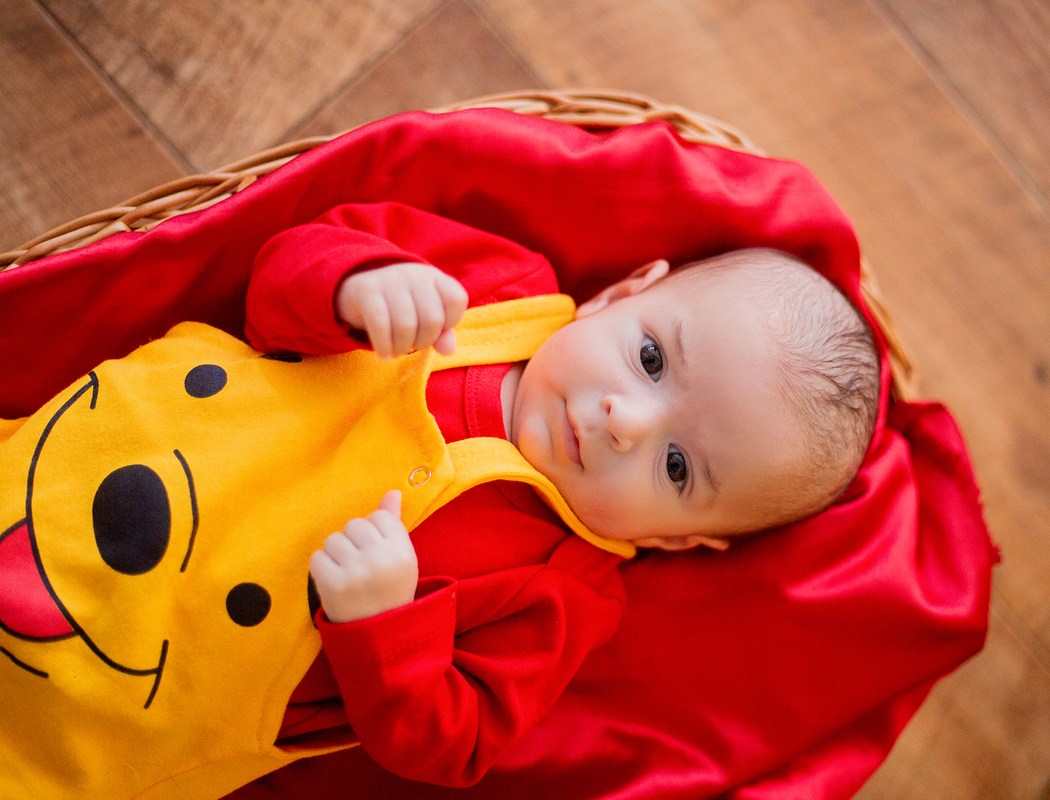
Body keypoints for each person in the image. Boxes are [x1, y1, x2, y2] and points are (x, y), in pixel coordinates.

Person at [0, 200, 879, 798]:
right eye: (649, 359)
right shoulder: (491, 287)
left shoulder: (565, 593)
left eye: (678, 468)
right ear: (620, 294)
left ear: (680, 541)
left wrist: (385, 626)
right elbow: (283, 268)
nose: (626, 422)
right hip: (83, 472)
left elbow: (452, 743)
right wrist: (358, 284)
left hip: (119, 719)